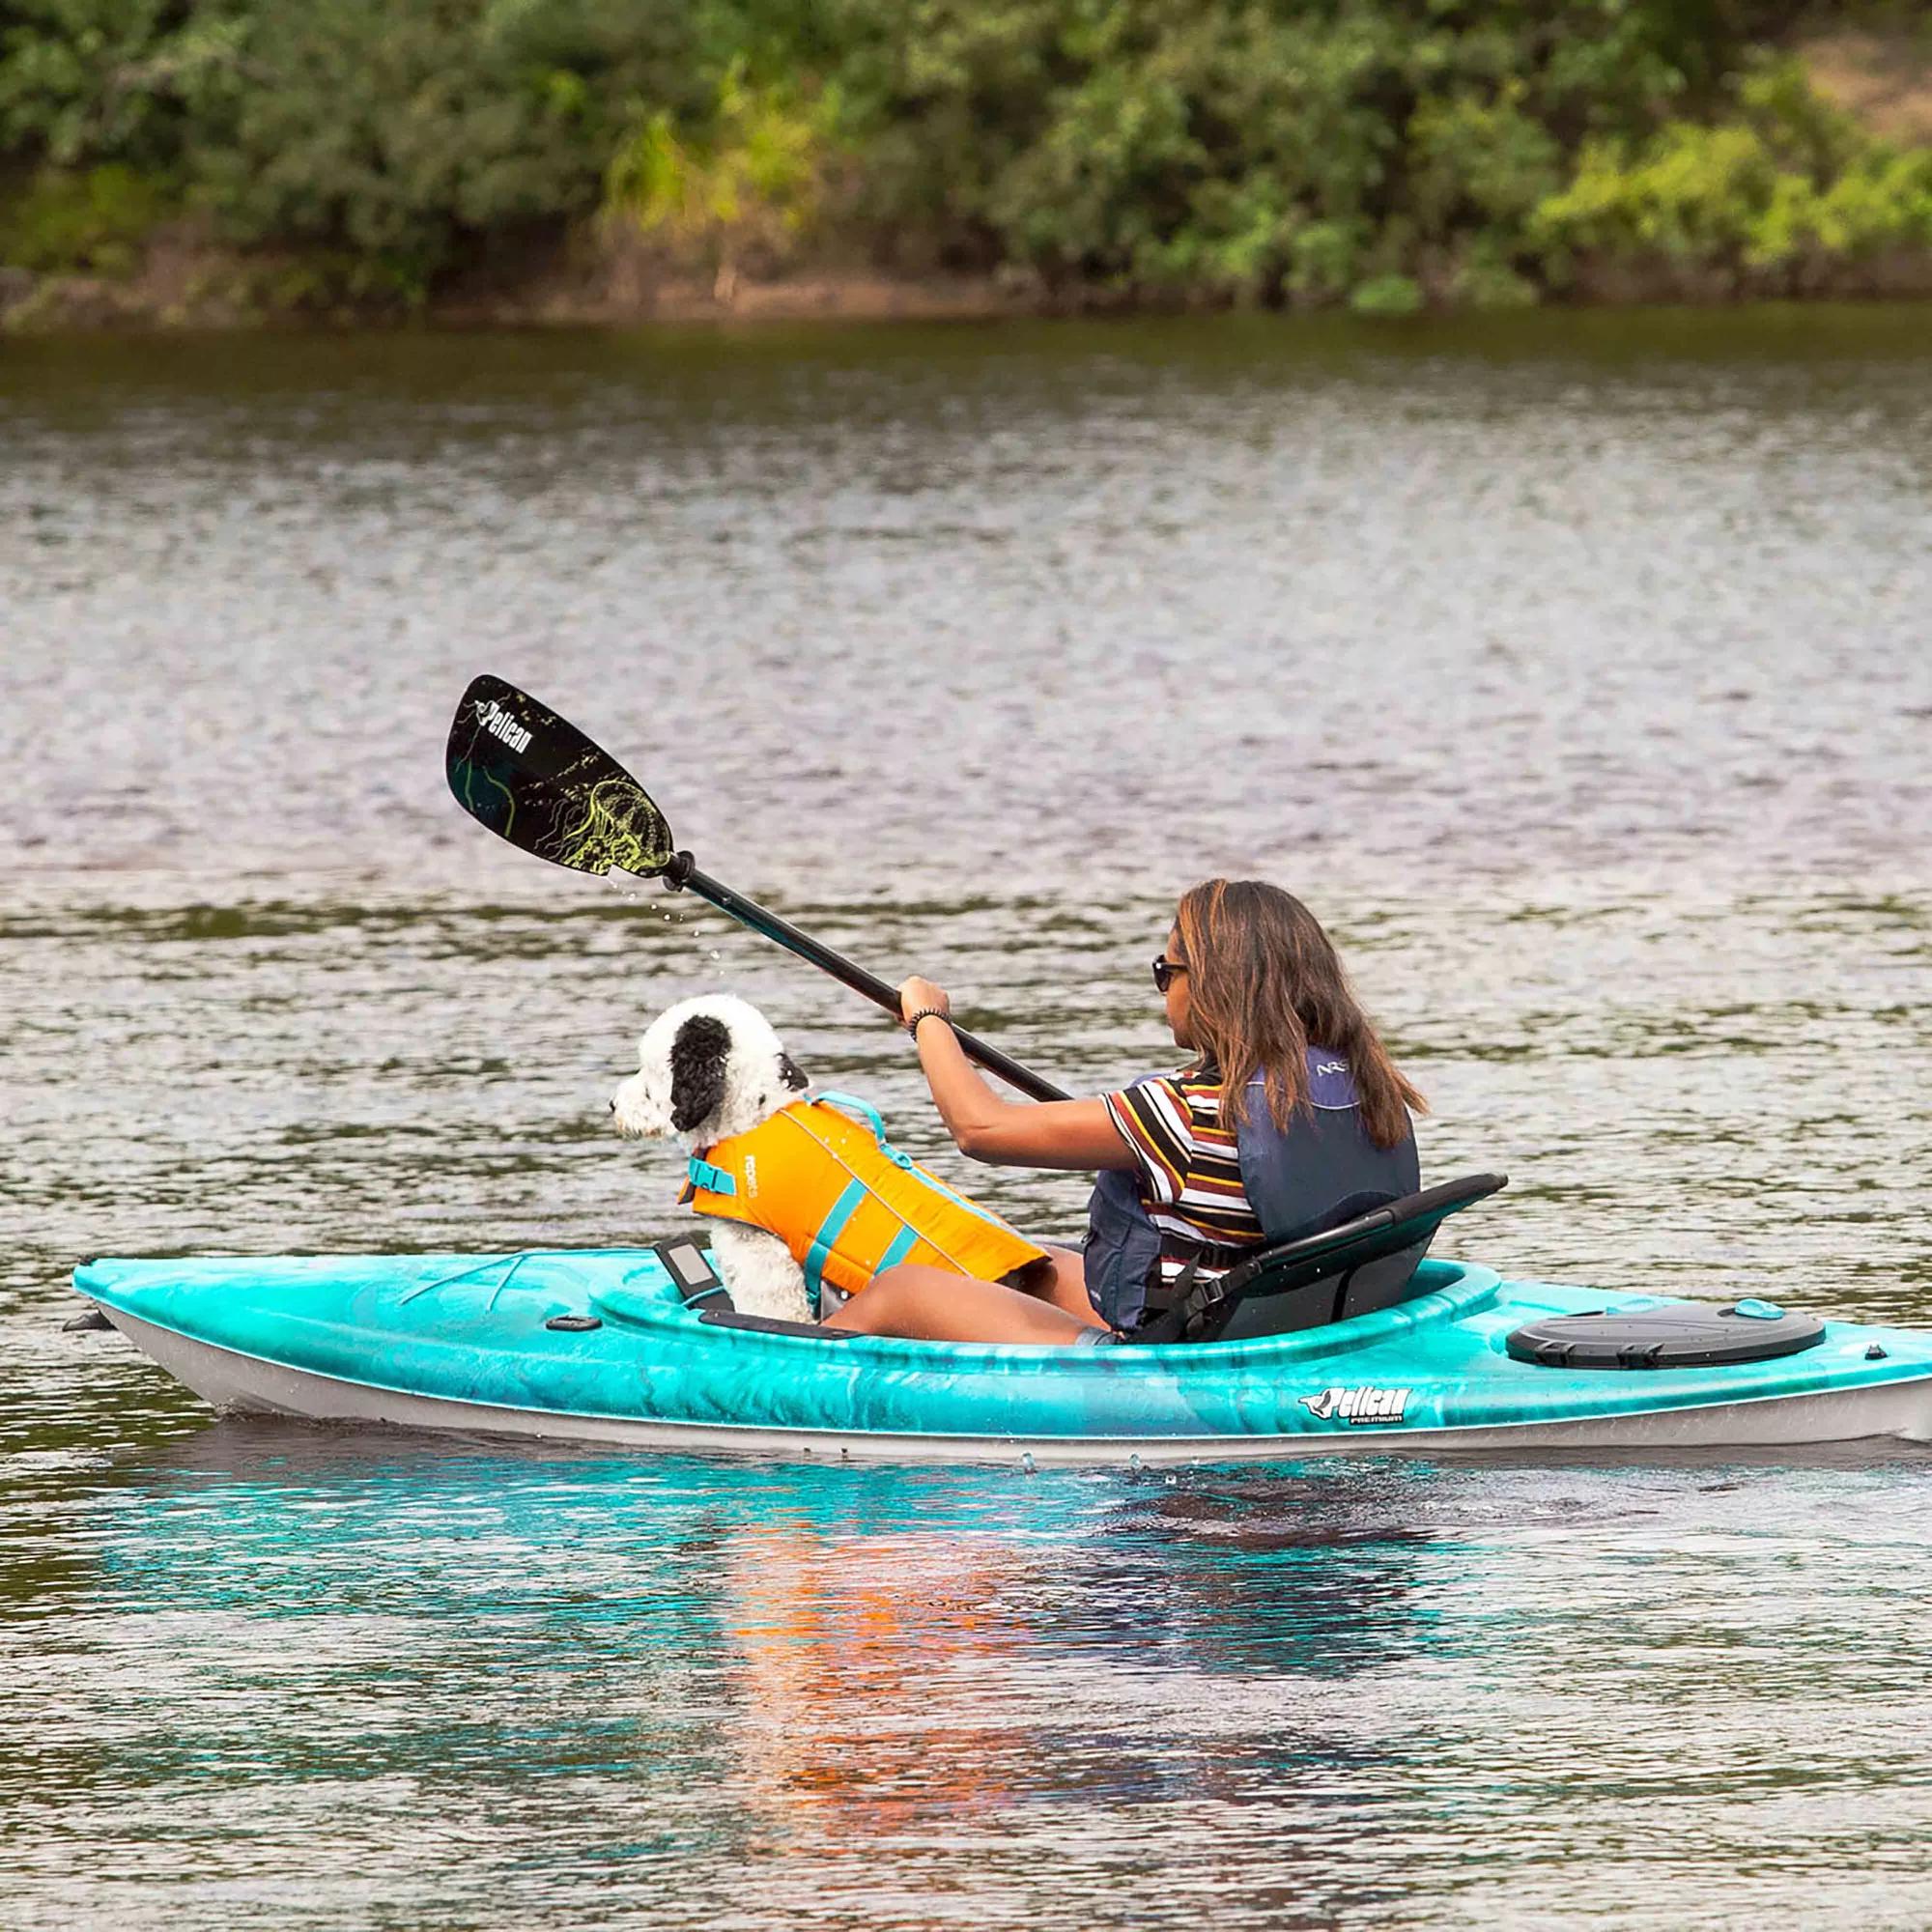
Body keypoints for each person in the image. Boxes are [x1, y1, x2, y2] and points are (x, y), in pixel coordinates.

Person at [822, 878, 1425, 1345]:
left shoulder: (1179, 1112)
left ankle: (776, 1382)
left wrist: (929, 1020)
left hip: (1176, 1349)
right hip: (1264, 1320)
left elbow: (979, 1129)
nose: (1163, 988)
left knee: (902, 1289)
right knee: (1028, 1266)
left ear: (1214, 984)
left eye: (1167, 971)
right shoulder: (1366, 1087)